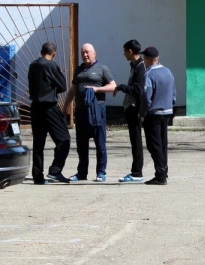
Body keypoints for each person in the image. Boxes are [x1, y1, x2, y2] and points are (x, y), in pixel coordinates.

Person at [62, 43, 116, 182]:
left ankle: (101, 172)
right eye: (82, 52)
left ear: (94, 53)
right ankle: (81, 173)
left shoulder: (102, 69)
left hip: (97, 110)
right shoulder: (79, 70)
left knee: (100, 143)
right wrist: (65, 107)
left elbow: (113, 86)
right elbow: (73, 90)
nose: (85, 55)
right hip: (81, 111)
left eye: (87, 52)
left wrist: (96, 89)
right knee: (81, 144)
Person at [28, 42, 71, 185]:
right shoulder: (51, 65)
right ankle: (55, 170)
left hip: (35, 107)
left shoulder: (33, 65)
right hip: (50, 107)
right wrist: (52, 91)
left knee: (38, 142)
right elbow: (63, 86)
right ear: (53, 53)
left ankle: (37, 176)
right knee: (64, 139)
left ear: (42, 51)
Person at [139, 46, 175, 185]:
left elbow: (147, 97)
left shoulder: (149, 74)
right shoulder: (168, 72)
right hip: (167, 112)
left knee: (154, 144)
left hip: (153, 114)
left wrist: (142, 114)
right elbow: (173, 93)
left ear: (147, 60)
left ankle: (160, 175)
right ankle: (164, 170)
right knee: (163, 143)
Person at [113, 40, 146, 183]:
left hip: (136, 109)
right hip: (131, 108)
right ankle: (135, 171)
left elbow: (138, 90)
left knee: (136, 141)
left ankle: (137, 173)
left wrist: (121, 87)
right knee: (134, 140)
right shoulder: (134, 65)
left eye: (125, 51)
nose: (124, 54)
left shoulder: (140, 67)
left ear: (130, 51)